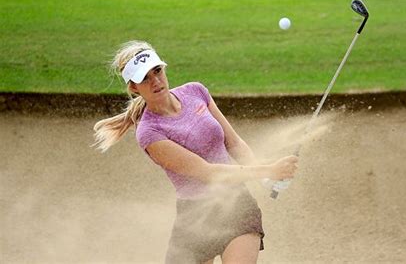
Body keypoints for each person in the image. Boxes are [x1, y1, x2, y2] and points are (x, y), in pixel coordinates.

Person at [93, 40, 298, 264]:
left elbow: (234, 143)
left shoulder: (195, 91)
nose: (156, 81)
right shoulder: (150, 132)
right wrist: (266, 170)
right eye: (145, 78)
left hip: (236, 205)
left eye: (157, 71)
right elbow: (209, 173)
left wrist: (267, 178)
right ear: (134, 87)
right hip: (195, 219)